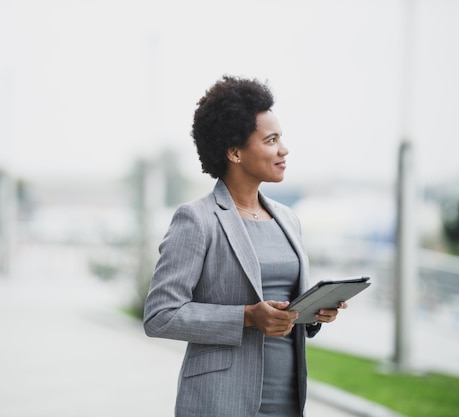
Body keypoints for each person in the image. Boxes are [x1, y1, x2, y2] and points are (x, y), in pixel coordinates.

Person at [143, 75, 347, 417]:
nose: (284, 149)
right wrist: (247, 317)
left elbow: (284, 303)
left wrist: (312, 313)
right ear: (235, 152)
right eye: (271, 140)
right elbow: (160, 315)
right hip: (221, 401)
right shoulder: (197, 219)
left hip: (287, 398)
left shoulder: (288, 219)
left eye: (281, 138)